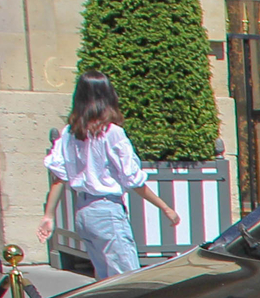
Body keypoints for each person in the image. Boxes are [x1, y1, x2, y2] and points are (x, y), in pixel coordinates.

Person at [34, 74, 178, 280]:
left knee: (103, 280)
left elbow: (59, 176)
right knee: (127, 279)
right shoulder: (112, 133)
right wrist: (165, 207)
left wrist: (48, 216)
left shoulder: (69, 133)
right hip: (107, 210)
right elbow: (132, 179)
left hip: (84, 212)